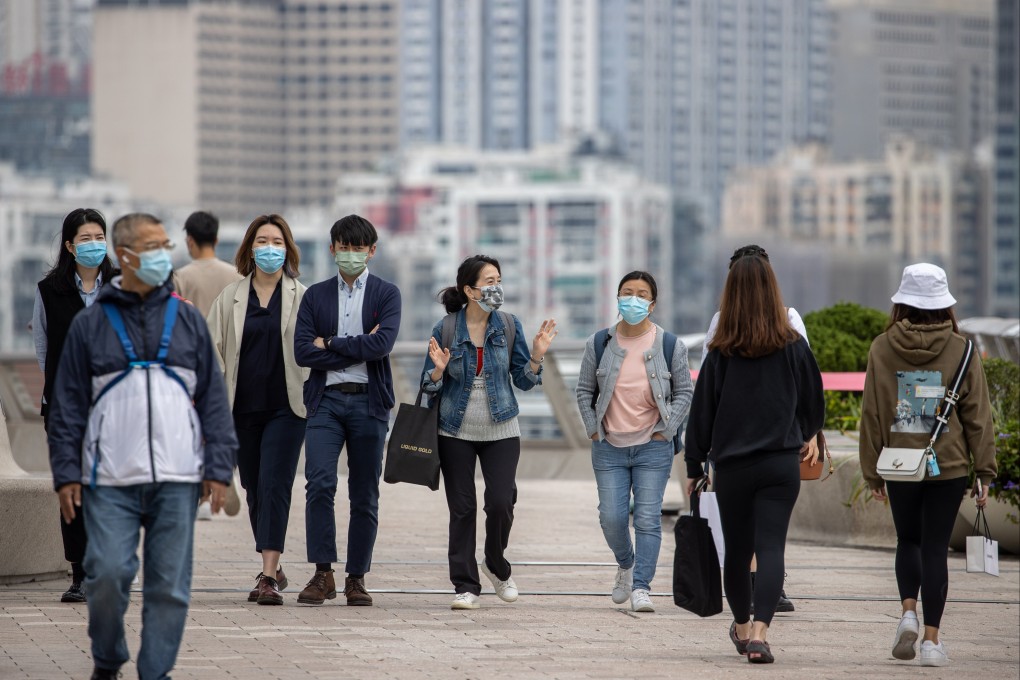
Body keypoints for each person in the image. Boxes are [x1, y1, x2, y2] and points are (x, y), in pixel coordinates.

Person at [46, 213, 238, 680]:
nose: (160, 255)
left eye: (163, 244)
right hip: (109, 479)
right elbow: (68, 406)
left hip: (178, 479)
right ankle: (108, 659)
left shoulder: (188, 320)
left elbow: (213, 398)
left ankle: (156, 671)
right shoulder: (91, 326)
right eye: (150, 247)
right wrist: (66, 473)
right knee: (107, 576)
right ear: (126, 255)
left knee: (169, 587)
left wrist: (219, 466)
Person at [685, 251, 824, 664]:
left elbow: (702, 413)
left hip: (734, 466)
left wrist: (695, 467)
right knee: (772, 547)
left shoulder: (720, 351)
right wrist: (798, 428)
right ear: (772, 289)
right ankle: (762, 632)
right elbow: (815, 407)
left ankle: (742, 627)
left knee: (739, 547)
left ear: (731, 292)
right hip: (781, 463)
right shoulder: (794, 345)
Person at [859, 263, 996, 668]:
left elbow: (872, 413)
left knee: (908, 541)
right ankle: (932, 643)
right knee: (935, 547)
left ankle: (906, 614)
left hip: (900, 463)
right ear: (945, 305)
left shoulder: (882, 347)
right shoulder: (963, 349)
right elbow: (978, 416)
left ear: (902, 302)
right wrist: (985, 470)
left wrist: (872, 471)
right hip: (948, 465)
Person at [421, 255, 558, 610]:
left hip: (502, 427)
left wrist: (537, 356)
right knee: (462, 509)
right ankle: (465, 585)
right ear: (469, 289)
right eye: (488, 281)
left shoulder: (509, 325)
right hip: (454, 429)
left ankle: (496, 564)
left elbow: (525, 381)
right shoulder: (446, 328)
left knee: (500, 502)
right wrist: (437, 372)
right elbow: (427, 385)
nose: (495, 287)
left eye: (498, 279)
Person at [293, 215, 401, 607]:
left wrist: (331, 343)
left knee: (364, 494)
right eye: (344, 246)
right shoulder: (316, 295)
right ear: (332, 248)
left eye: (359, 248)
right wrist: (354, 344)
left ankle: (357, 577)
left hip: (369, 401)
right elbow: (302, 351)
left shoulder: (387, 294)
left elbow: (381, 346)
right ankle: (323, 573)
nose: (351, 254)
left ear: (372, 251)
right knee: (319, 483)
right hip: (325, 402)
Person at [575, 271, 693, 613]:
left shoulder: (670, 345)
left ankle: (642, 586)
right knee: (611, 518)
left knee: (647, 518)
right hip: (608, 445)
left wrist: (666, 430)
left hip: (653, 446)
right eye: (627, 292)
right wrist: (593, 429)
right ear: (617, 298)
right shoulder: (599, 342)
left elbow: (684, 391)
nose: (633, 299)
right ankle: (626, 563)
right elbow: (584, 390)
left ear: (652, 304)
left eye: (641, 294)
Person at [207, 215, 308, 606]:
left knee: (274, 484)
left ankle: (266, 576)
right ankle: (275, 565)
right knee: (252, 487)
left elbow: (317, 348)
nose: (270, 248)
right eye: (262, 241)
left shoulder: (303, 296)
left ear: (288, 249)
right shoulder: (230, 297)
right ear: (250, 248)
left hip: (287, 407)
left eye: (277, 242)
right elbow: (210, 351)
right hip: (241, 409)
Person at [32, 208, 115, 604]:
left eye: (99, 236)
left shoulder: (121, 287)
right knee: (72, 488)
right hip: (65, 407)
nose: (94, 244)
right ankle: (79, 573)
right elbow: (43, 348)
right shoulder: (49, 290)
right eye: (85, 238)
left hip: (116, 407)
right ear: (69, 245)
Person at [172, 210, 244, 520]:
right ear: (216, 238)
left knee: (197, 427)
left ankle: (204, 491)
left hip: (193, 362)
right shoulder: (236, 276)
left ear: (189, 240)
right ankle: (224, 471)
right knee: (224, 421)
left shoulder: (182, 276)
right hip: (230, 361)